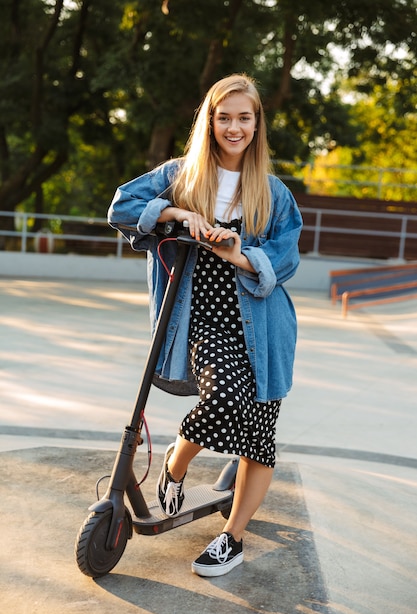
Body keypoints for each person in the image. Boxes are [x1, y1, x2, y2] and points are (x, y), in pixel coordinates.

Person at [108, 73, 302, 577]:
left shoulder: (273, 192)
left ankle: (230, 537)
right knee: (220, 402)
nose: (234, 127)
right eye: (224, 117)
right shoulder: (183, 175)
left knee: (260, 436)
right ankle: (175, 462)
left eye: (244, 117)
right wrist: (176, 212)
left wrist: (241, 255)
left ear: (257, 123)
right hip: (205, 323)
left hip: (265, 330)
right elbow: (121, 207)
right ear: (209, 121)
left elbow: (285, 257)